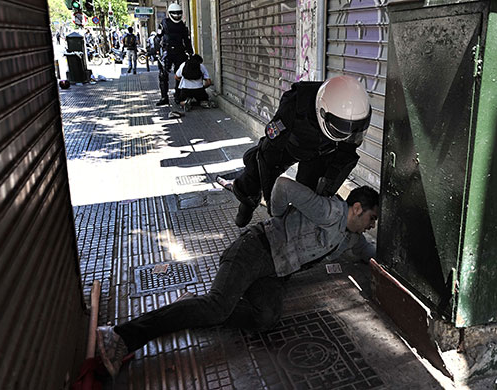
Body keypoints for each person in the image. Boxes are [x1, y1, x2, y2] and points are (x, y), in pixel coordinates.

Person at [96, 176, 379, 377]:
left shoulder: (349, 239)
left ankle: (195, 307)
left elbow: (371, 252)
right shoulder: (331, 211)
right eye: (372, 218)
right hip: (255, 249)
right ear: (357, 208)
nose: (372, 225)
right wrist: (278, 219)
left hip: (275, 272)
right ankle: (120, 335)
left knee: (266, 317)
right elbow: (282, 186)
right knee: (217, 307)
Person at [230, 75, 372, 228]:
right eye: (341, 130)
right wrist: (273, 204)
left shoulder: (357, 117)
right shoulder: (294, 104)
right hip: (289, 146)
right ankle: (247, 203)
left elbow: (346, 155)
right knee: (256, 170)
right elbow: (269, 156)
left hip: (321, 152)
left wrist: (325, 191)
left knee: (309, 195)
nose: (347, 136)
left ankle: (299, 227)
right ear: (322, 111)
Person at [155, 3, 194, 106]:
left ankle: (178, 96)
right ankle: (164, 97)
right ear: (170, 13)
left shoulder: (182, 25)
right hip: (167, 52)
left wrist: (190, 51)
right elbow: (158, 38)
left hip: (180, 52)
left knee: (180, 75)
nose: (176, 15)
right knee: (163, 75)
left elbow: (187, 40)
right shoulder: (164, 23)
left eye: (178, 13)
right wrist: (156, 51)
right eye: (174, 13)